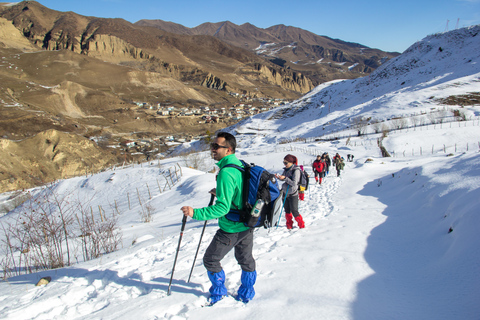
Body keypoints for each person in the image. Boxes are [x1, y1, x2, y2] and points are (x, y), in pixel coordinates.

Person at [180, 132, 256, 305]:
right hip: (247, 222)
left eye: (216, 147)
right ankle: (247, 292)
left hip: (231, 227)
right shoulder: (240, 165)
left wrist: (195, 213)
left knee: (210, 259)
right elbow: (240, 191)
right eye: (212, 146)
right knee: (246, 260)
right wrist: (221, 192)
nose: (212, 149)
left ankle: (219, 292)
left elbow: (222, 208)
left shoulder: (226, 172)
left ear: (228, 149)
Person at [275, 154, 305, 229]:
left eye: (286, 163)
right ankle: (289, 225)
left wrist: (285, 178)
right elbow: (284, 179)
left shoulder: (296, 170)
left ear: (291, 163)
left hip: (293, 193)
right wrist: (279, 177)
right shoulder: (286, 169)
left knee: (294, 211)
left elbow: (294, 183)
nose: (284, 164)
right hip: (285, 192)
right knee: (287, 210)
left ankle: (301, 224)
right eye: (284, 162)